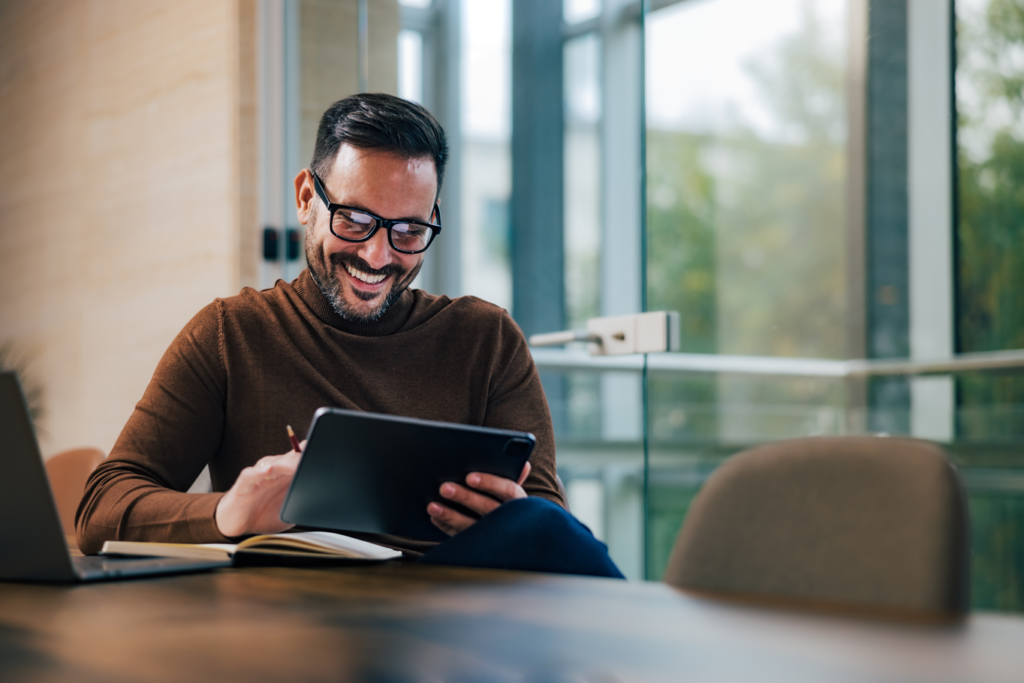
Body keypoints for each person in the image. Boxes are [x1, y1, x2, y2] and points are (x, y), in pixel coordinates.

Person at [77, 93, 622, 578]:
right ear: (306, 199)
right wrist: (228, 513)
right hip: (292, 620)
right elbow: (100, 510)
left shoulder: (487, 339)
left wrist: (501, 514)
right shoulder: (231, 333)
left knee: (537, 522)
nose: (377, 256)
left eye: (408, 231)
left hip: (451, 624)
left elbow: (549, 526)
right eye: (355, 220)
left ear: (433, 218)